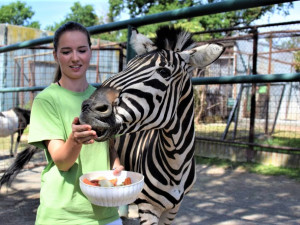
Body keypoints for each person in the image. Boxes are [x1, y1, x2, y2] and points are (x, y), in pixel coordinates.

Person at [28, 21, 123, 225]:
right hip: (62, 216)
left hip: (106, 212)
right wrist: (75, 140)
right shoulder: (46, 100)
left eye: (81, 50)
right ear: (55, 55)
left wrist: (116, 165)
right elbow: (62, 162)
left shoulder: (103, 98)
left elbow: (110, 148)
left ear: (90, 52)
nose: (75, 58)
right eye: (66, 51)